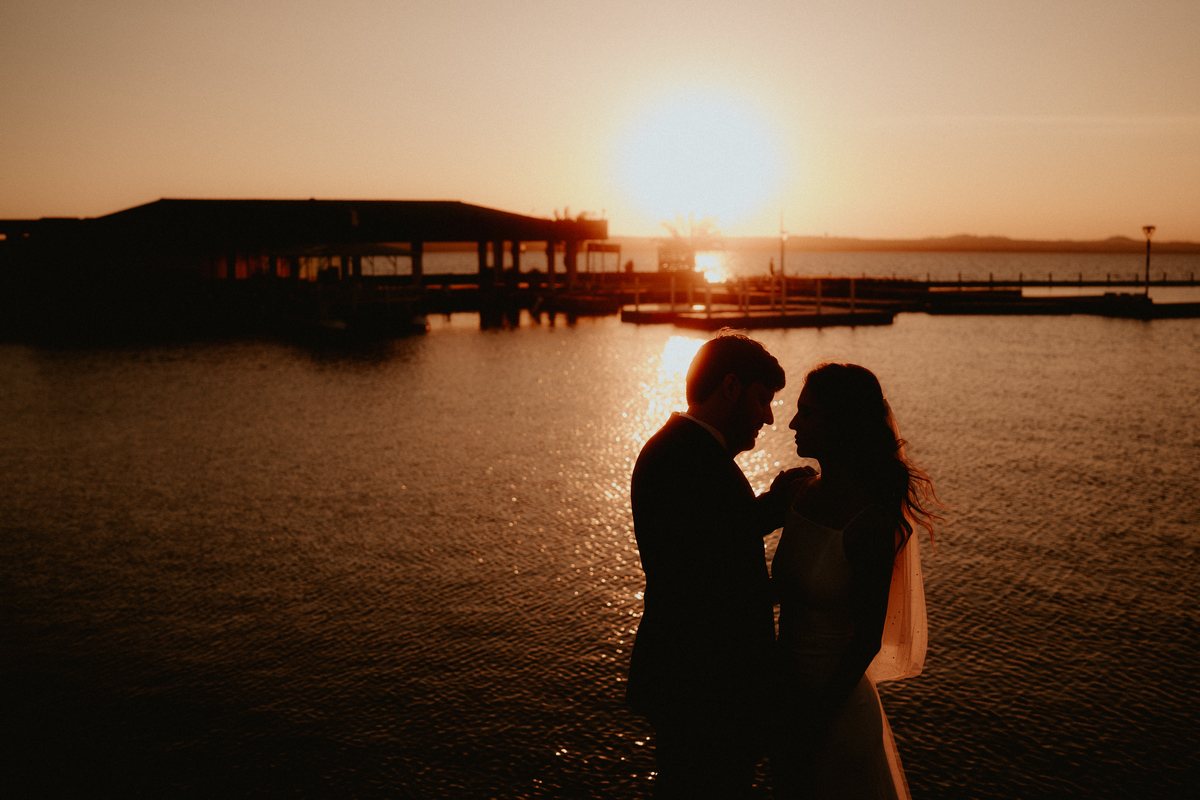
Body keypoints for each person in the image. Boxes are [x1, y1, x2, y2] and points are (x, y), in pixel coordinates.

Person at [627, 332, 808, 799]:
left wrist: (773, 504)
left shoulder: (686, 451)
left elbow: (715, 537)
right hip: (704, 689)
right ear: (731, 387)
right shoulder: (687, 460)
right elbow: (708, 582)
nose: (769, 417)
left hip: (693, 680)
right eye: (763, 399)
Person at [772, 363, 941, 799]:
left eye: (807, 413)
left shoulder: (871, 523)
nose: (792, 423)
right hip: (784, 698)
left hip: (834, 713)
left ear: (841, 424)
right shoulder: (801, 493)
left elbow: (866, 639)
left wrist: (812, 721)